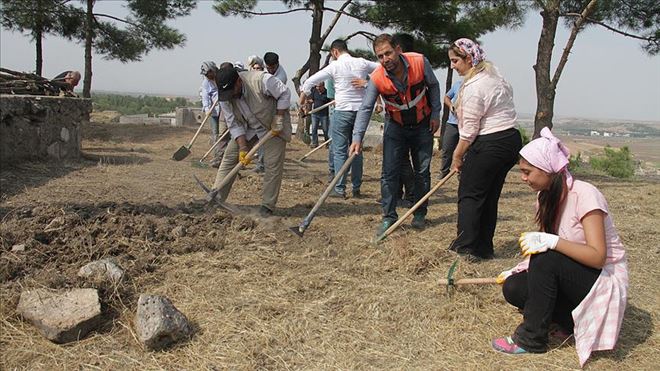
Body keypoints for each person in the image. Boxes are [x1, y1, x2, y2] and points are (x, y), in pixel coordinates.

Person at [492, 127, 628, 368]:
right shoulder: (546, 197)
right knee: (514, 287)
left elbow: (597, 257)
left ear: (547, 170)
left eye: (527, 172)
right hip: (575, 274)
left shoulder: (586, 195)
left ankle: (532, 339)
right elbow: (548, 246)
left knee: (547, 259)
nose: (523, 178)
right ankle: (567, 323)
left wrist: (553, 242)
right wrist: (519, 268)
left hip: (603, 281)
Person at [349, 33, 441, 235]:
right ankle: (389, 217)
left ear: (398, 50)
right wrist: (357, 138)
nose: (385, 60)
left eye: (388, 53)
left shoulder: (419, 62)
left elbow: (433, 86)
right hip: (396, 126)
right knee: (389, 173)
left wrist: (436, 113)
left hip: (422, 124)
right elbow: (366, 108)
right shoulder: (377, 78)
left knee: (422, 172)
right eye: (380, 56)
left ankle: (419, 213)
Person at [447, 38, 522, 260]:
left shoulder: (474, 87)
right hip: (510, 140)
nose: (452, 66)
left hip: (491, 142)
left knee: (470, 194)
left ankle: (466, 248)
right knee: (488, 196)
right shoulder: (495, 77)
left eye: (455, 61)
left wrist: (457, 155)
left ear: (468, 59)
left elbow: (469, 130)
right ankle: (483, 248)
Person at [300, 39, 379, 199]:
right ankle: (356, 188)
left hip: (342, 110)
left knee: (340, 150)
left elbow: (310, 81)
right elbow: (383, 70)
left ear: (335, 52)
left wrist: (303, 97)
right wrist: (367, 83)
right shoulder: (362, 63)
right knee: (357, 150)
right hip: (361, 112)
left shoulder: (335, 66)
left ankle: (340, 187)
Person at [210, 65, 292, 217]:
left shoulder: (261, 80)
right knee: (229, 157)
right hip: (247, 128)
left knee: (272, 165)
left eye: (231, 91)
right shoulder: (225, 96)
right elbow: (233, 123)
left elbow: (285, 93)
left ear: (238, 82)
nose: (229, 96)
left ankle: (267, 206)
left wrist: (279, 117)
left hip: (272, 126)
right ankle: (216, 196)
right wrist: (242, 148)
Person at [199, 61, 228, 167]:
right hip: (213, 111)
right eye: (205, 75)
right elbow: (205, 96)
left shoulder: (221, 76)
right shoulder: (206, 82)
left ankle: (222, 158)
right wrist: (207, 108)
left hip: (224, 109)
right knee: (215, 134)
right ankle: (217, 157)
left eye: (208, 74)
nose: (207, 76)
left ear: (212, 71)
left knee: (222, 134)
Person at [439, 79, 462, 178]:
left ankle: (461, 173)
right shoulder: (458, 84)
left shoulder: (478, 85)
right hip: (452, 123)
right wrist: (451, 105)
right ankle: (444, 171)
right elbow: (447, 97)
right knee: (447, 148)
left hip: (467, 124)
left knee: (465, 151)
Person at [308, 82, 332, 147]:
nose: (318, 88)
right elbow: (312, 100)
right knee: (314, 128)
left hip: (324, 115)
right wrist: (307, 101)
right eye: (317, 87)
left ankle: (327, 143)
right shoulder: (314, 91)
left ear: (323, 86)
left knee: (325, 129)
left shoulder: (327, 92)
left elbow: (331, 102)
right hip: (315, 114)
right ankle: (314, 143)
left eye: (319, 86)